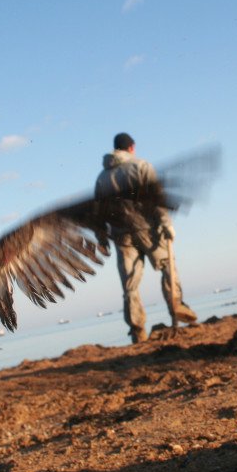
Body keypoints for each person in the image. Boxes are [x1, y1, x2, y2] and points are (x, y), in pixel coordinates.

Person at [94, 133, 197, 343]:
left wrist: (102, 237)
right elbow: (156, 197)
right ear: (131, 148)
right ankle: (176, 308)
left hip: (121, 234)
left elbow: (97, 212)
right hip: (147, 228)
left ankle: (137, 330)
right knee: (168, 267)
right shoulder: (140, 166)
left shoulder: (102, 178)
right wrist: (166, 223)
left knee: (130, 284)